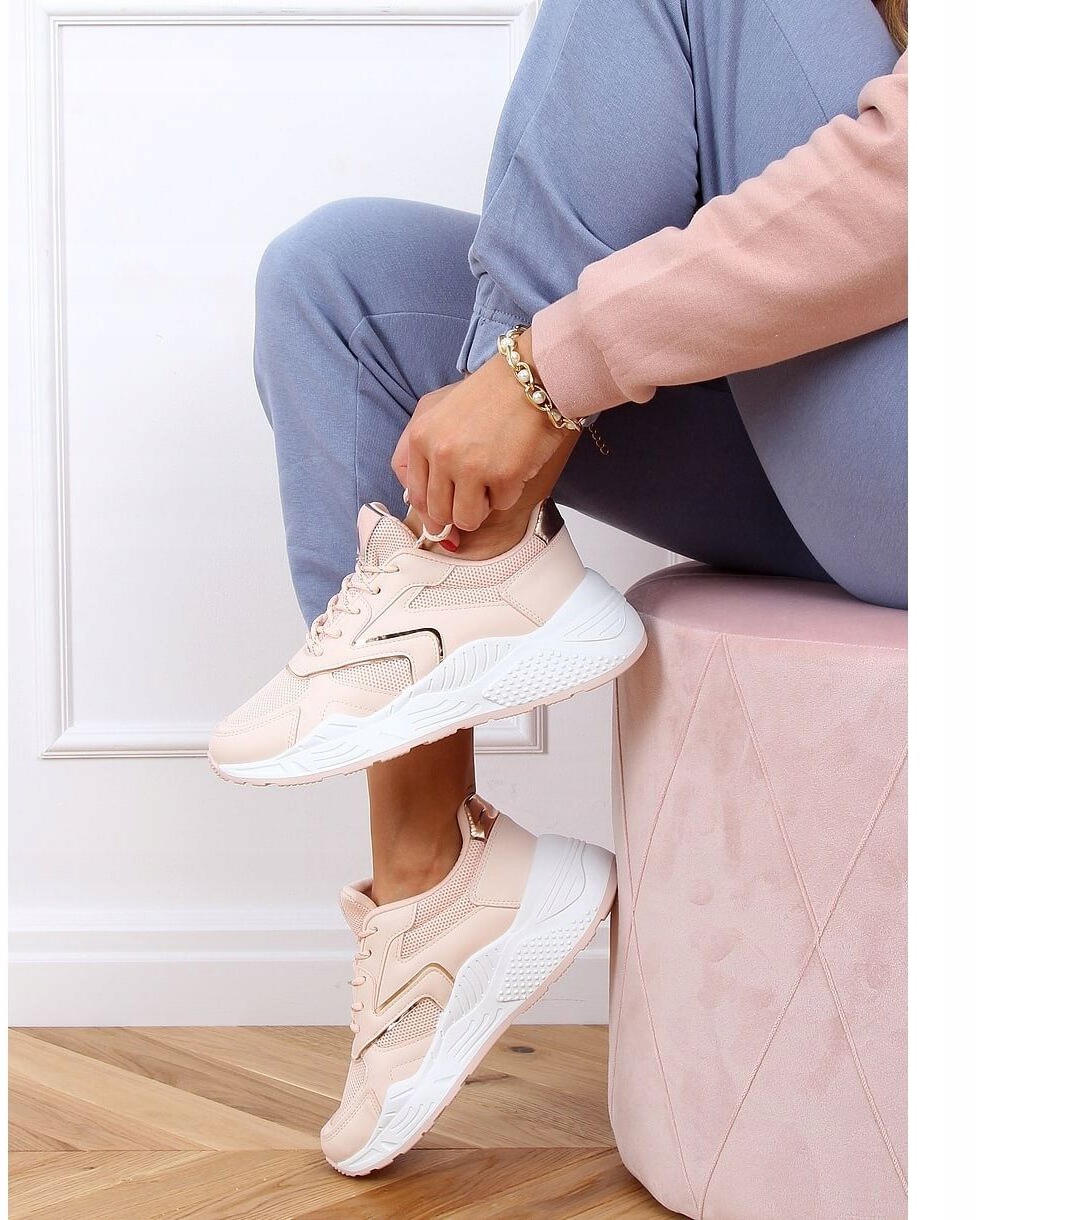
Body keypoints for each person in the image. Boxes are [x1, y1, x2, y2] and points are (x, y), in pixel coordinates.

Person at [209, 0, 907, 1178]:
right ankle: (433, 886)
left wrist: (540, 372)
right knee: (333, 285)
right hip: (847, 447)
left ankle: (470, 560)